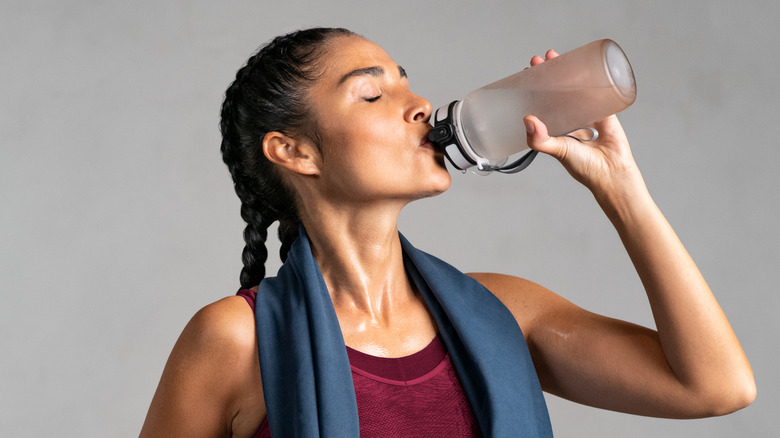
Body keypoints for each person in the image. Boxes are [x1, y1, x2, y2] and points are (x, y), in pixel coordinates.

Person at [140, 27, 755, 437]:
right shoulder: (234, 338)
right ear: (295, 151)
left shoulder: (504, 312)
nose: (420, 105)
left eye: (409, 83)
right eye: (374, 93)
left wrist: (622, 189)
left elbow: (714, 386)